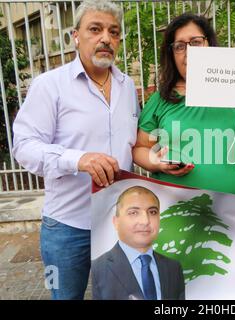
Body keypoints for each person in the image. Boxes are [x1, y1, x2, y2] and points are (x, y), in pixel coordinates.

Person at [12, 0, 139, 299]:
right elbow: (24, 147)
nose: (105, 38)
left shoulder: (128, 86)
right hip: (68, 229)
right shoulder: (49, 86)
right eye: (95, 29)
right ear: (75, 36)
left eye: (113, 31)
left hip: (117, 225)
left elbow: (129, 146)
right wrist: (77, 159)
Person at [133, 13, 235, 196]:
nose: (188, 52)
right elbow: (140, 148)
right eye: (179, 46)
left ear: (208, 44)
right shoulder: (161, 99)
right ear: (171, 54)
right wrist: (155, 162)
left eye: (195, 42)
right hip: (179, 211)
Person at [92, 186, 185, 300]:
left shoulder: (173, 268)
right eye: (134, 213)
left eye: (152, 212)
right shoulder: (96, 269)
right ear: (116, 222)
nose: (145, 221)